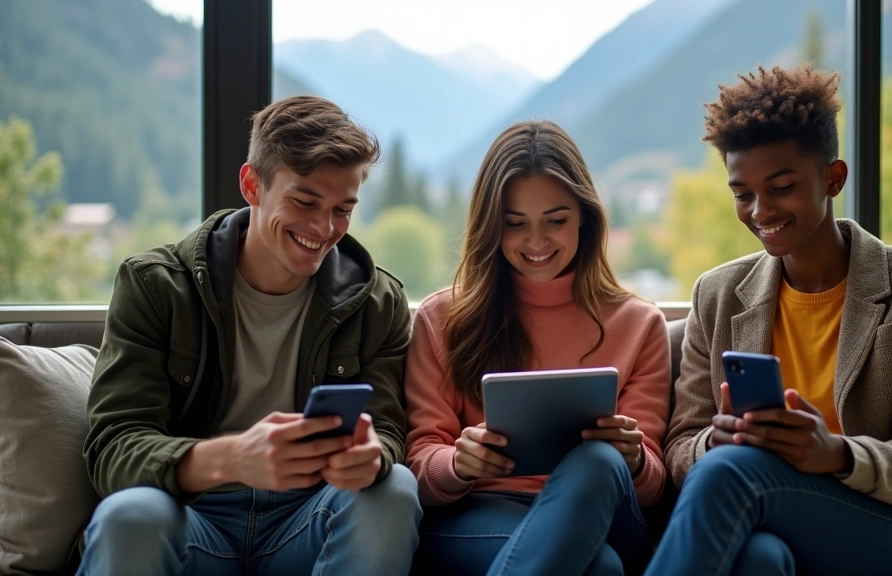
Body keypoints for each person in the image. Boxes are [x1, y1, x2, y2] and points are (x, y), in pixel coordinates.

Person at [645, 64, 892, 575]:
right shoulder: (718, 296)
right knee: (759, 558)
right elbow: (680, 446)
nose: (760, 210)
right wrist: (716, 440)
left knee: (731, 472)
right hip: (769, 516)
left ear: (833, 177)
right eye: (742, 193)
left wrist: (837, 454)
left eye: (780, 187)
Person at [78, 95, 422, 575]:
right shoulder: (155, 286)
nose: (323, 229)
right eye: (304, 201)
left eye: (343, 209)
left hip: (306, 523)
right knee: (128, 515)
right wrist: (232, 458)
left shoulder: (377, 301)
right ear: (251, 185)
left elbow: (388, 432)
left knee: (395, 489)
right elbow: (113, 448)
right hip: (192, 517)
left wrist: (373, 457)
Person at [404, 120, 671, 575]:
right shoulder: (443, 318)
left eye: (556, 220)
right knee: (600, 569)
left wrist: (634, 458)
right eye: (515, 224)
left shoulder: (639, 325)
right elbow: (421, 461)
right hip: (482, 511)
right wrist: (458, 463)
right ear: (491, 226)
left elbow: (651, 486)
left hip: (607, 509)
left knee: (599, 460)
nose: (536, 242)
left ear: (584, 216)